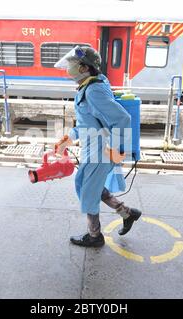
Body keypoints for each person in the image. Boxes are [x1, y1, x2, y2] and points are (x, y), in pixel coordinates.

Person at [54, 46, 142, 248]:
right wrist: (68, 139)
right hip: (93, 148)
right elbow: (88, 123)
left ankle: (95, 236)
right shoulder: (90, 85)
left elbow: (122, 118)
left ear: (84, 68)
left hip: (101, 151)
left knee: (87, 192)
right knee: (86, 186)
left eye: (73, 65)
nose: (69, 69)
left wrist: (118, 149)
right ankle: (127, 213)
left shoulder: (93, 90)